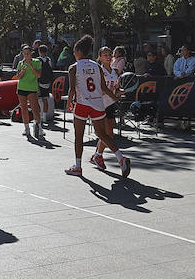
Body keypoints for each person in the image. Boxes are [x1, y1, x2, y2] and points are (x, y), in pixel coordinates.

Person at [65, 34, 130, 178]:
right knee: (102, 134)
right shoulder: (97, 67)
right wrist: (115, 99)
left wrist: (69, 103)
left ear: (79, 52)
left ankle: (78, 166)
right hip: (97, 103)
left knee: (79, 136)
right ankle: (121, 158)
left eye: (75, 51)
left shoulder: (73, 67)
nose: (74, 54)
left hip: (83, 103)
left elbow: (71, 89)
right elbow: (104, 89)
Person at [14, 44, 43, 140]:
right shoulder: (20, 63)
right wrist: (22, 71)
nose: (26, 55)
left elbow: (38, 75)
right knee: (24, 109)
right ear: (22, 54)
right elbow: (18, 77)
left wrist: (31, 66)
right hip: (22, 88)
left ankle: (39, 128)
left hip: (32, 89)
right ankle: (26, 128)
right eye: (24, 53)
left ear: (31, 53)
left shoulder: (37, 62)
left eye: (28, 53)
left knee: (35, 109)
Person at [37, 43, 56, 127]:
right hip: (47, 83)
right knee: (45, 100)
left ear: (39, 51)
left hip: (39, 83)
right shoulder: (49, 60)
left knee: (37, 100)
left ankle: (38, 117)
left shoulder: (37, 60)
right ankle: (44, 117)